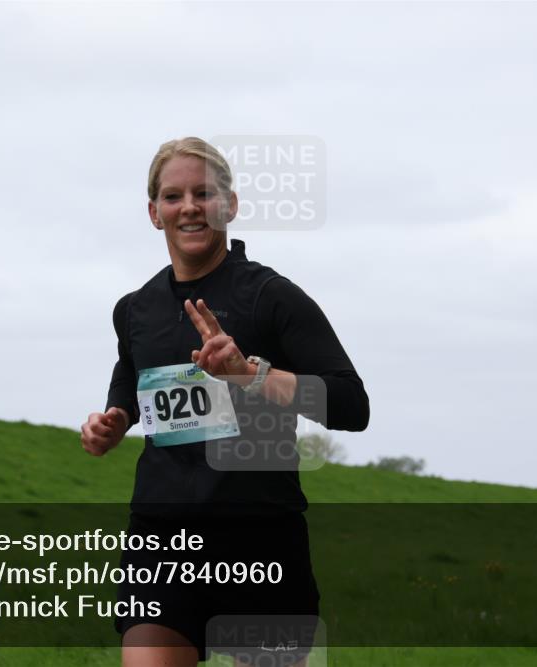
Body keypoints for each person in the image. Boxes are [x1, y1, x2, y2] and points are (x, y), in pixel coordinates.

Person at [80, 137, 370, 666]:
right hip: (162, 539)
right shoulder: (134, 309)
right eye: (173, 196)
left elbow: (351, 405)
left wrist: (252, 374)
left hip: (260, 540)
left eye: (203, 193)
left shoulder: (271, 297)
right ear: (154, 213)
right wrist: (116, 418)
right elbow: (132, 371)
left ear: (229, 205)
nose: (188, 206)